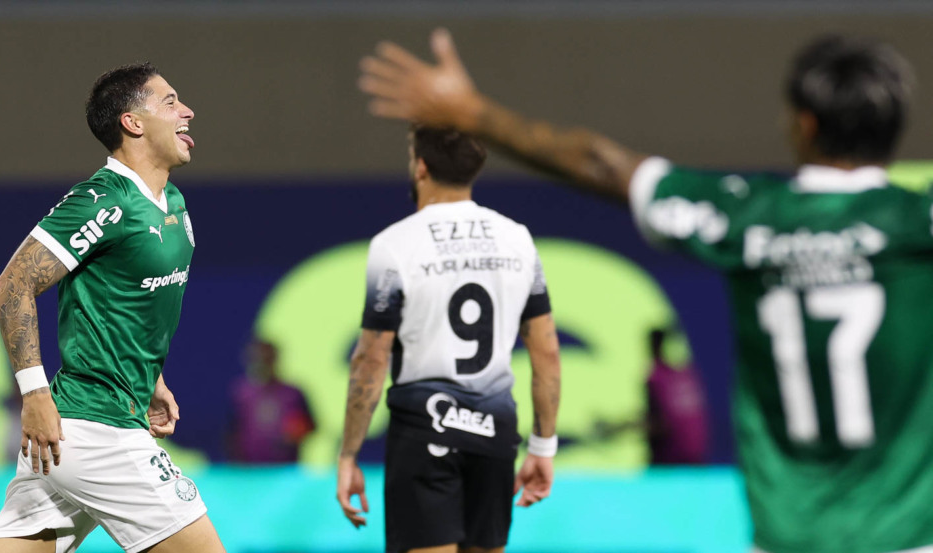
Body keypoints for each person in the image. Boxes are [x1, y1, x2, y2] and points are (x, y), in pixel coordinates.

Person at [358, 30, 927, 553]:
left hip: (787, 536)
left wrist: (473, 113)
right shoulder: (917, 224)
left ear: (803, 123)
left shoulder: (745, 218)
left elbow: (601, 164)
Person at [0, 63, 225, 553]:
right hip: (98, 430)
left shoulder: (171, 201)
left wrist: (150, 379)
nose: (188, 112)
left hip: (80, 432)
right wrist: (33, 396)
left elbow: (128, 301)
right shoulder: (102, 201)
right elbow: (12, 286)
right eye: (171, 102)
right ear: (133, 123)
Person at [336, 126, 562, 553]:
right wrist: (543, 447)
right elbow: (547, 352)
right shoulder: (518, 239)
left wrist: (349, 454)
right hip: (495, 430)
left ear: (421, 166)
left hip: (424, 430)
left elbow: (370, 358)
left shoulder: (394, 244)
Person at [228, 339, 315, 463]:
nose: (261, 364)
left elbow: (310, 426)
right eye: (257, 359)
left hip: (284, 468)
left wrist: (295, 433)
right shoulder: (240, 393)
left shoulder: (293, 394)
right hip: (247, 470)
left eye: (266, 359)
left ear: (275, 359)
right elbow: (229, 433)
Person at [645, 326, 708, 465]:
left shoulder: (656, 378)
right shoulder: (688, 375)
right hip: (697, 460)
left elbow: (660, 425)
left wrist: (616, 431)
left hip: (671, 461)